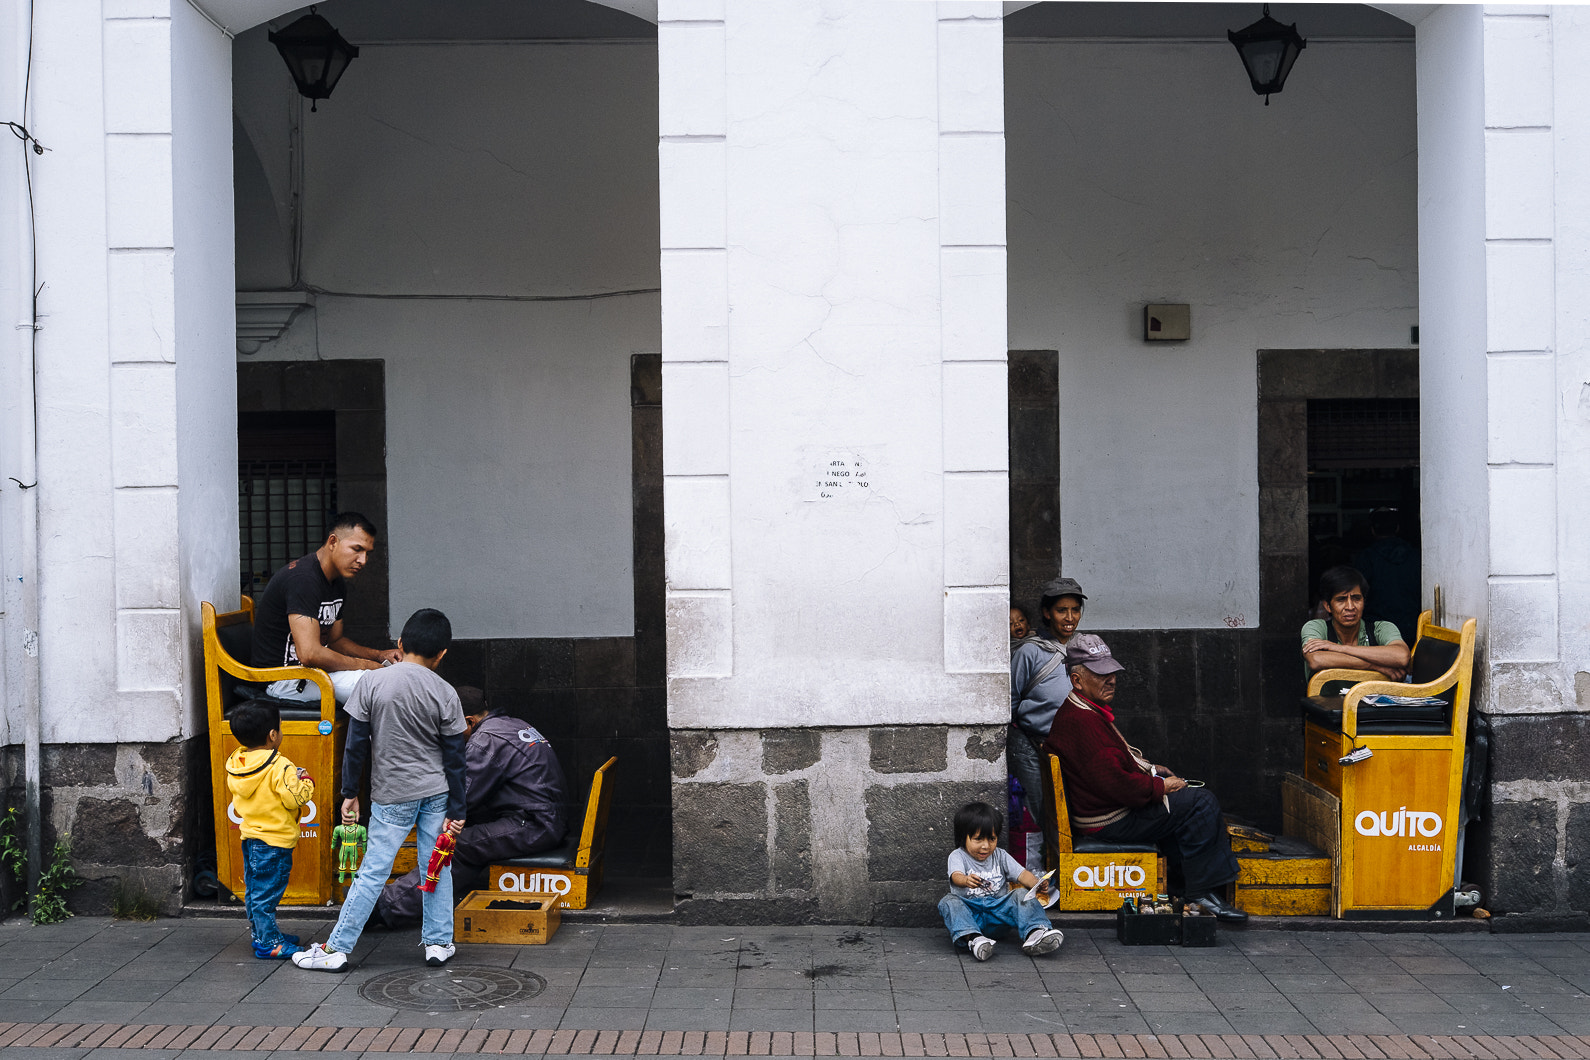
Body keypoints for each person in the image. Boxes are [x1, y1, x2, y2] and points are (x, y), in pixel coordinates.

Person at [293, 608, 468, 972]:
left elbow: (356, 745)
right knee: (436, 866)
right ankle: (438, 943)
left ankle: (337, 949)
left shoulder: (371, 684)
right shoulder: (446, 692)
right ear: (442, 654)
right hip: (437, 793)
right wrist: (459, 811)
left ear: (400, 644)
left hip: (391, 796)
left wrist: (349, 792)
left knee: (372, 872)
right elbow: (455, 758)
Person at [1043, 634, 1247, 923]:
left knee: (1185, 803)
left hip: (1102, 809)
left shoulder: (1079, 709)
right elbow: (1119, 786)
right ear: (1077, 680)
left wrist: (1150, 770)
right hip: (1109, 821)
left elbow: (1111, 769)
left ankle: (1182, 887)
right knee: (1201, 803)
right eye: (1101, 674)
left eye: (1111, 672)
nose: (1111, 680)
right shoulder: (1082, 720)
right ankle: (1201, 892)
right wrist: (1159, 786)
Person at [373, 687, 569, 927]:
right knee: (466, 831)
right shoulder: (512, 724)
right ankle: (409, 901)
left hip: (535, 824)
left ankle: (387, 906)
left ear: (468, 720)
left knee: (458, 845)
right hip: (544, 817)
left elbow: (462, 797)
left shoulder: (485, 741)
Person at [250, 512, 401, 704]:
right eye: (357, 549)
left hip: (312, 675)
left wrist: (379, 656)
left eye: (367, 553)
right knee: (383, 686)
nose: (363, 560)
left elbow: (335, 640)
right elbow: (309, 653)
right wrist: (366, 666)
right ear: (332, 542)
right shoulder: (303, 580)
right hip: (282, 680)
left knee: (391, 680)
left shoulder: (336, 583)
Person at [225, 700, 314, 959]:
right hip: (274, 841)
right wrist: (305, 782)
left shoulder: (237, 761)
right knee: (267, 894)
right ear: (273, 735)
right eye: (280, 728)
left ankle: (262, 934)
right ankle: (269, 943)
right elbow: (293, 799)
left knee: (255, 891)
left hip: (251, 837)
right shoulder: (280, 765)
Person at [1007, 577, 1086, 857]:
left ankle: (1071, 866)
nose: (1069, 617)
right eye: (1061, 610)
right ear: (1046, 613)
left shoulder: (1085, 649)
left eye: (1075, 610)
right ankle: (1043, 869)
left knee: (1073, 808)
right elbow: (1012, 701)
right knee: (1041, 807)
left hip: (1073, 746)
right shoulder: (1030, 651)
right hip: (1032, 744)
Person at [936, 801, 1064, 961]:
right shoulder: (957, 856)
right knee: (948, 901)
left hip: (998, 914)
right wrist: (965, 880)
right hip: (971, 915)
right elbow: (956, 875)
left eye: (992, 838)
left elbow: (1022, 874)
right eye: (978, 839)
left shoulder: (1001, 855)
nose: (986, 846)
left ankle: (1036, 933)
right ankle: (975, 940)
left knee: (1021, 894)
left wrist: (1037, 884)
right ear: (964, 838)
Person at [1300, 565, 1410, 688]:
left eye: (1356, 599)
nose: (1350, 607)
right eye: (1341, 600)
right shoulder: (1316, 627)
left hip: (1371, 706)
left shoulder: (1381, 628)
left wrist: (1339, 648)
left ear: (1364, 601)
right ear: (1327, 606)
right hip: (1328, 706)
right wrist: (1373, 666)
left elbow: (1402, 656)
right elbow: (1316, 660)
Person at [1352, 508, 1420, 647]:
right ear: (1397, 528)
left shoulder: (1366, 558)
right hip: (1412, 627)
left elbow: (1355, 592)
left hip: (1377, 629)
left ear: (1372, 530)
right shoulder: (1417, 556)